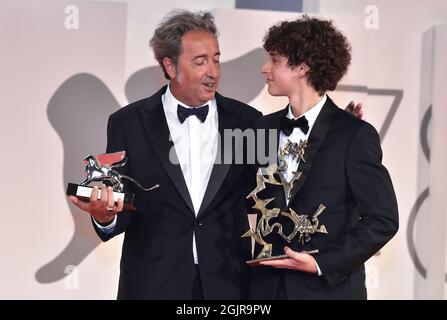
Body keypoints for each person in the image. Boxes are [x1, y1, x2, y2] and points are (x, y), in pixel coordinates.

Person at [68, 10, 363, 300]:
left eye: (216, 59)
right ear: (171, 67)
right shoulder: (128, 123)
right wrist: (105, 216)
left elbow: (284, 190)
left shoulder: (248, 121)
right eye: (200, 61)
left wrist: (329, 135)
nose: (213, 71)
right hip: (152, 285)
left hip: (229, 285)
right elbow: (121, 199)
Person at [248, 15, 398, 299]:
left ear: (302, 67)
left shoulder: (354, 135)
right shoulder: (261, 129)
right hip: (265, 291)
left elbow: (382, 219)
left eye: (275, 60)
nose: (264, 68)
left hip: (328, 291)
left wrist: (321, 263)